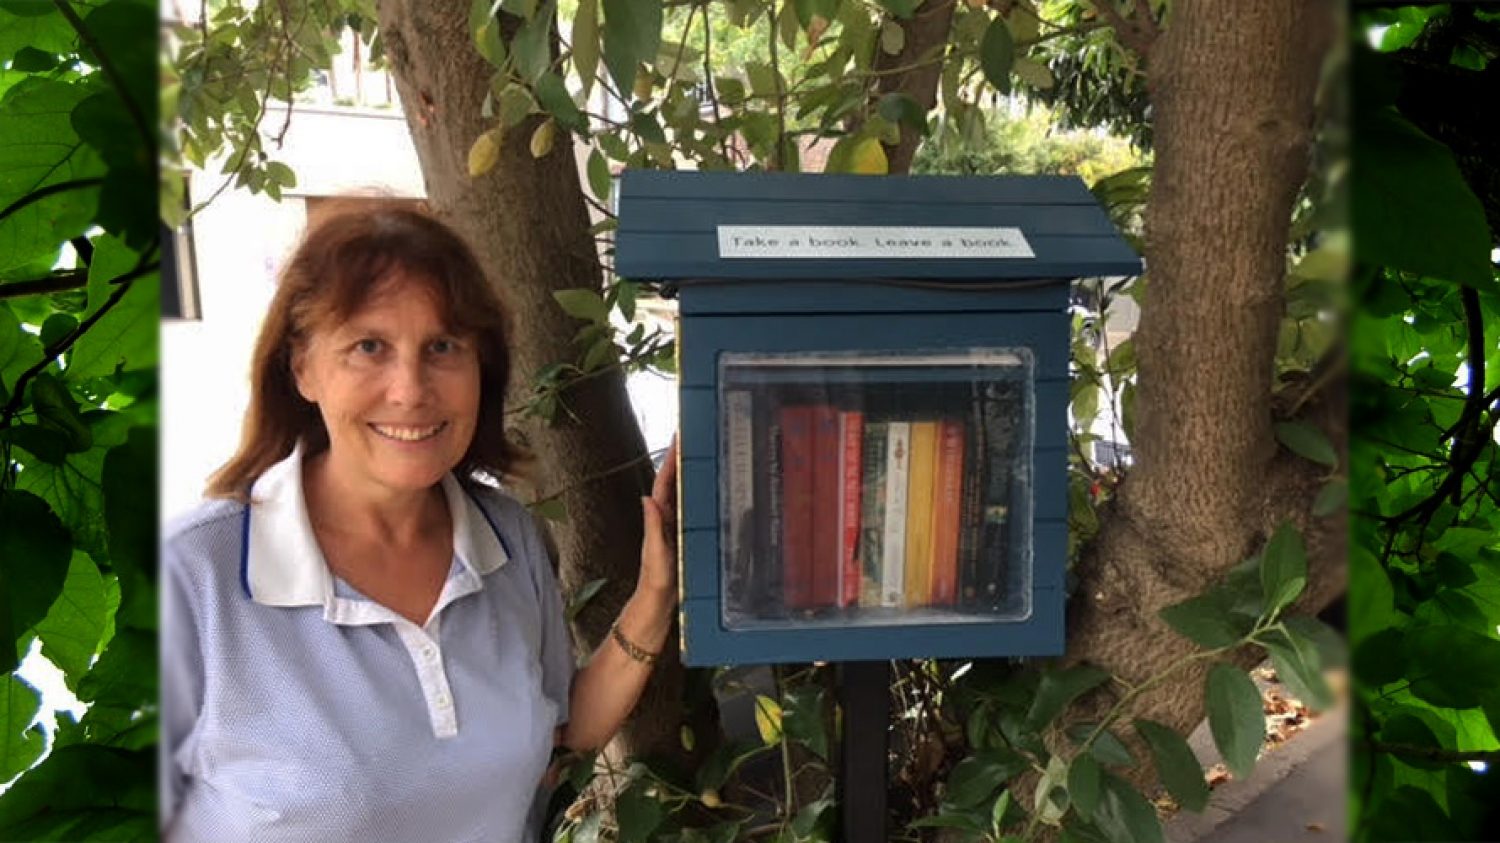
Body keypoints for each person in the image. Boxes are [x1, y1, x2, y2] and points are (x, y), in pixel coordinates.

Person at [161, 201, 678, 842]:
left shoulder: (508, 541)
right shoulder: (189, 577)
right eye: (369, 346)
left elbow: (554, 748)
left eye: (442, 347)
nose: (410, 389)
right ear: (302, 367)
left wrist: (655, 598)